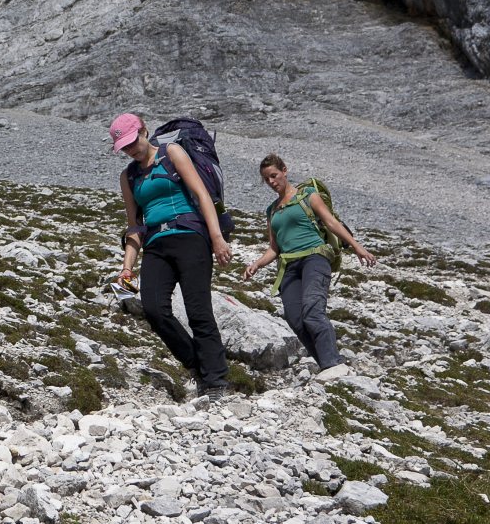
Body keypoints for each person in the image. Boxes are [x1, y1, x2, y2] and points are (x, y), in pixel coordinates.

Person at [111, 112, 234, 399]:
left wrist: (216, 238)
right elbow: (134, 225)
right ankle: (196, 364)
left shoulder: (172, 152)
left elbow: (202, 195)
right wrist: (127, 267)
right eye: (124, 147)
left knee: (198, 310)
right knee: (153, 308)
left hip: (190, 236)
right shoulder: (127, 177)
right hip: (155, 244)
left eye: (133, 141)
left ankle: (216, 382)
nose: (130, 149)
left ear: (143, 130)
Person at [242, 154, 377, 381]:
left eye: (274, 175)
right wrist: (256, 264)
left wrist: (357, 247)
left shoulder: (308, 196)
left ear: (285, 170)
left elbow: (331, 223)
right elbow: (274, 248)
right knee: (295, 319)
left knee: (312, 311)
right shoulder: (272, 210)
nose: (272, 182)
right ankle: (327, 365)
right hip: (288, 266)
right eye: (267, 179)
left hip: (315, 258)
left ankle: (334, 364)